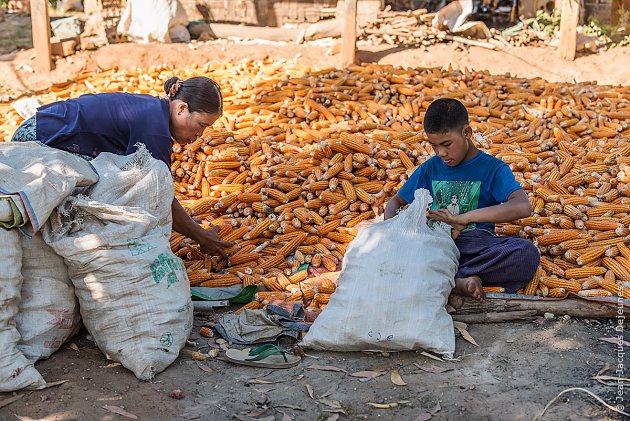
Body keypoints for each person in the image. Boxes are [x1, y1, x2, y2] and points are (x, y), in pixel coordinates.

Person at [10, 76, 233, 257]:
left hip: (43, 130)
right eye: (201, 125)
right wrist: (201, 236)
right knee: (108, 189)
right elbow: (159, 197)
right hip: (37, 140)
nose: (200, 135)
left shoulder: (156, 111)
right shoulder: (154, 129)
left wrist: (193, 227)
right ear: (182, 109)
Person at [384, 98, 539, 301]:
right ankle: (459, 281)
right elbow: (395, 203)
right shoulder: (429, 168)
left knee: (526, 254)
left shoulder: (492, 169)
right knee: (401, 255)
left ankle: (445, 278)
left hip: (476, 247)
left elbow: (522, 206)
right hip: (434, 246)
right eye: (434, 146)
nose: (441, 153)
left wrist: (465, 218)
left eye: (446, 144)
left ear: (467, 133)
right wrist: (392, 236)